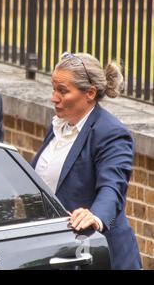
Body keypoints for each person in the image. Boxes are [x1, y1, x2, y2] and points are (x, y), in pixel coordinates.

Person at [31, 52, 142, 269]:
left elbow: (113, 187)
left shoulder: (111, 133)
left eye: (62, 91)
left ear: (89, 93)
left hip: (104, 255)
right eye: (53, 89)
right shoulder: (59, 126)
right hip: (65, 252)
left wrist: (95, 215)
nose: (54, 97)